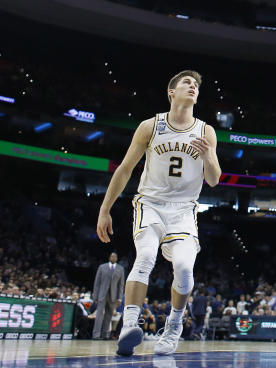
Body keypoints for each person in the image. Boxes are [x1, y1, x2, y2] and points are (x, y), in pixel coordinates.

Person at [96, 70, 222, 356]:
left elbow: (214, 179)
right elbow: (125, 168)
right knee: (146, 256)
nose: (192, 87)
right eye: (186, 83)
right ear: (171, 92)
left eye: (195, 85)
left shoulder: (206, 131)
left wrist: (209, 155)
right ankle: (129, 324)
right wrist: (105, 209)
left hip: (184, 211)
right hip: (150, 204)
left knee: (185, 269)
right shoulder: (150, 126)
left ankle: (174, 325)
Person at [92, 252, 125, 340]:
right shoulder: (102, 267)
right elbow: (97, 282)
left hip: (113, 296)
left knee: (109, 315)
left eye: (115, 256)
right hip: (102, 294)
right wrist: (95, 296)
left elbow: (121, 285)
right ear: (109, 257)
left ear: (117, 258)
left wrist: (119, 298)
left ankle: (106, 334)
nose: (113, 258)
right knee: (99, 314)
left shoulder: (120, 269)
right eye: (112, 256)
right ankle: (96, 335)